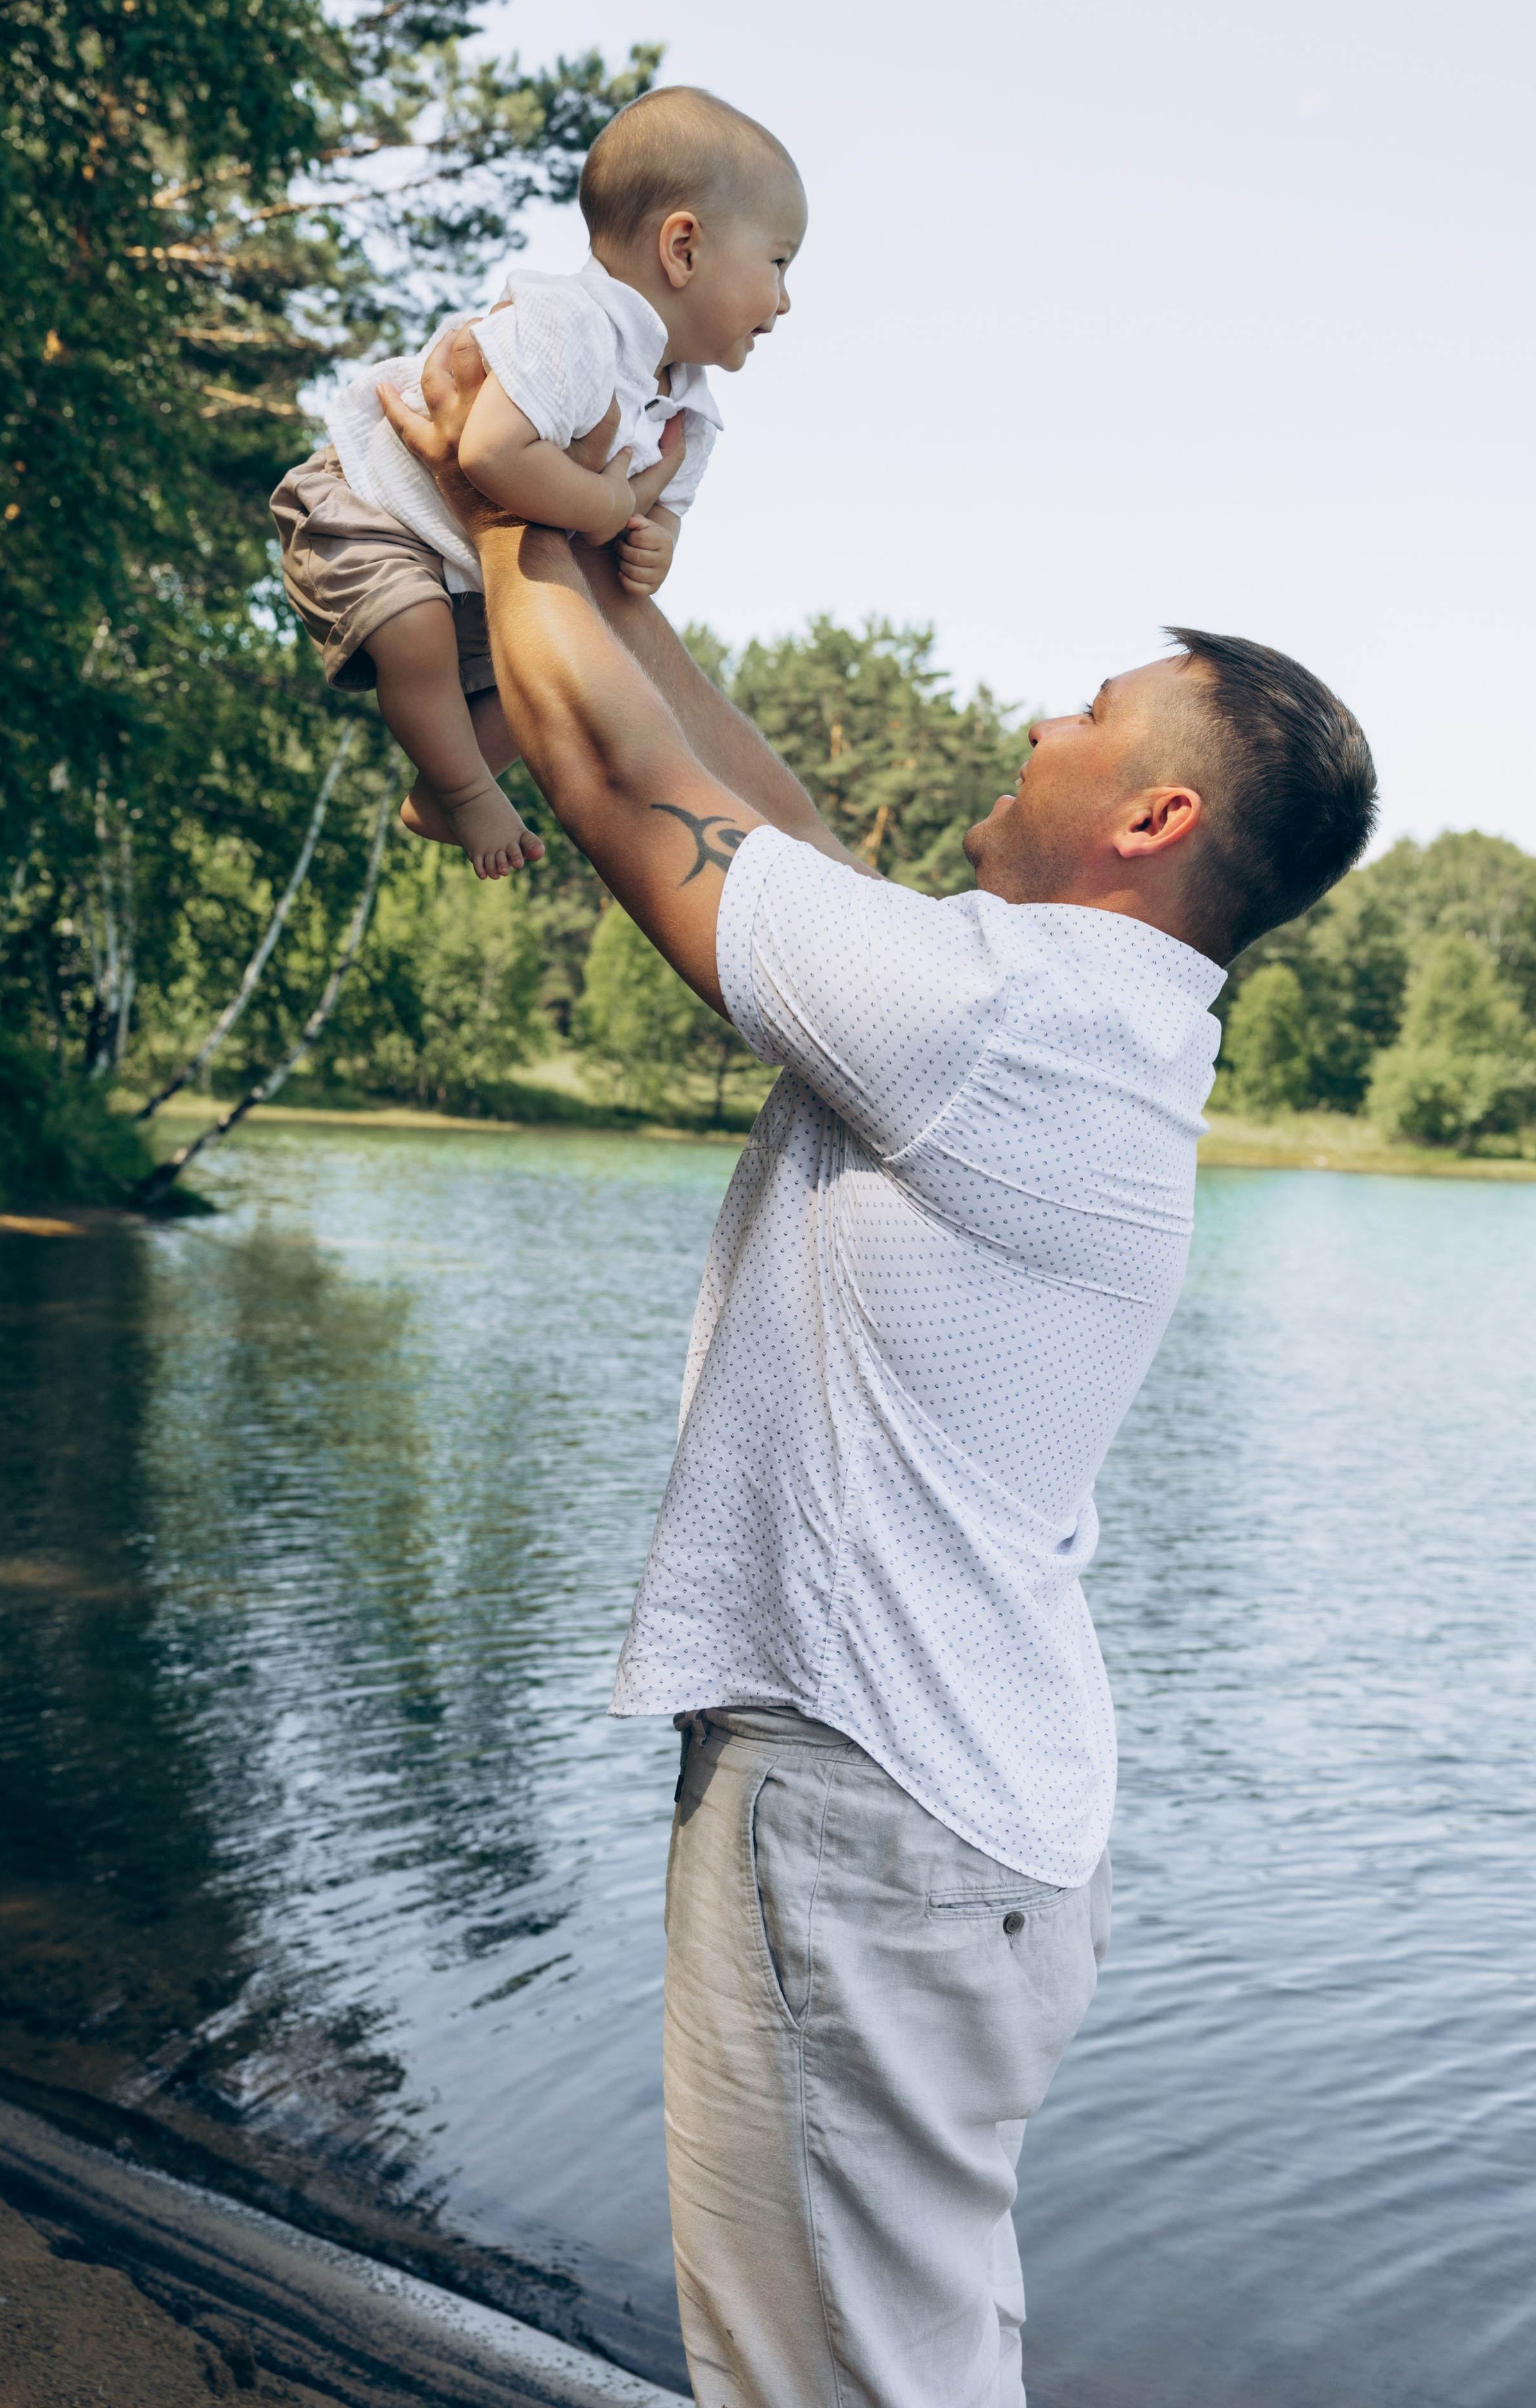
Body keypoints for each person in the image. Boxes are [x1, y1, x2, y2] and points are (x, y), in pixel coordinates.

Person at [378, 333, 1378, 2408]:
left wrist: (497, 494)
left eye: (1088, 715)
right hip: (957, 1824)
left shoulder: (1000, 1027)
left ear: (1157, 813)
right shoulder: (1074, 1018)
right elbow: (765, 822)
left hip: (860, 1810)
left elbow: (614, 792)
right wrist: (618, 583)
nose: (1037, 718)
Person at [268, 86, 805, 879]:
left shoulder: (690, 409)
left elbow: (660, 515)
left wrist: (654, 543)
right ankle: (468, 790)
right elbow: (487, 453)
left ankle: (440, 791)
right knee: (416, 632)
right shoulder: (573, 325)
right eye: (778, 263)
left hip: (476, 575)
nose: (787, 302)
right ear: (683, 249)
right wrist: (607, 504)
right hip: (373, 510)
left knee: (563, 666)